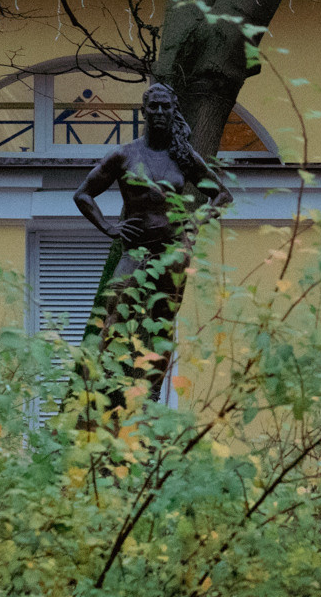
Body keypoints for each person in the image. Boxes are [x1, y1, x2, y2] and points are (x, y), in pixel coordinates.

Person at [73, 83, 220, 391]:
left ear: (173, 110)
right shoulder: (124, 155)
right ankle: (92, 389)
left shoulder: (183, 156)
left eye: (166, 106)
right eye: (153, 106)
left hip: (172, 252)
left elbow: (221, 194)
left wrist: (195, 223)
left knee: (164, 324)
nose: (159, 112)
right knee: (111, 314)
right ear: (144, 111)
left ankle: (151, 392)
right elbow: (83, 194)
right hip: (135, 251)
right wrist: (109, 228)